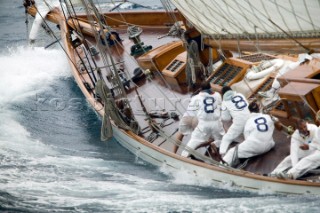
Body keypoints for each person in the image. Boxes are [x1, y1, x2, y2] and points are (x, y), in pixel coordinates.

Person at [222, 102, 276, 167]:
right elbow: (272, 127)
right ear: (259, 109)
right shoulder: (267, 117)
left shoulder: (249, 121)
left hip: (256, 147)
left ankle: (221, 167)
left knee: (232, 152)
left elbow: (247, 138)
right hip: (269, 145)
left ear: (249, 111)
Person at [181, 82, 225, 158]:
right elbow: (220, 107)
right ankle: (216, 144)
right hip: (217, 123)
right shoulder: (217, 95)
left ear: (201, 89)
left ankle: (183, 156)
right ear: (210, 87)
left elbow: (191, 113)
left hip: (204, 124)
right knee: (222, 139)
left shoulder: (196, 98)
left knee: (194, 141)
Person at [218, 86, 250, 156]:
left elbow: (225, 118)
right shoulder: (240, 95)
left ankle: (222, 155)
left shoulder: (224, 102)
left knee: (226, 138)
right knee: (248, 137)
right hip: (250, 118)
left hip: (239, 122)